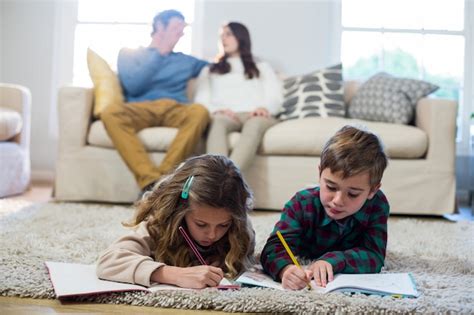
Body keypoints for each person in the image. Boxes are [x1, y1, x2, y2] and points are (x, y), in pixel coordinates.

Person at [96, 154, 256, 289]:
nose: (212, 234)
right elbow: (108, 261)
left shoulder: (240, 229)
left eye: (223, 225)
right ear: (180, 210)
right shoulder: (161, 222)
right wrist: (173, 274)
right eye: (201, 224)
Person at [260, 125, 390, 290]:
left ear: (372, 190)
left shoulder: (377, 205)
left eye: (353, 194)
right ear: (320, 173)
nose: (337, 201)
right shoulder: (301, 203)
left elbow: (375, 257)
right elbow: (273, 249)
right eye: (331, 187)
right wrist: (286, 269)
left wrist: (333, 260)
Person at [101, 10, 210, 193]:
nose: (181, 33)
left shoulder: (185, 61)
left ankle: (162, 182)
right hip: (140, 108)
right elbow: (134, 85)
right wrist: (160, 53)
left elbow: (220, 69)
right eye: (176, 27)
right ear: (160, 26)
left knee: (200, 112)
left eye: (183, 29)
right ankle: (150, 180)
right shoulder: (130, 54)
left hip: (176, 107)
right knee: (110, 113)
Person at [194, 22, 282, 171]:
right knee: (218, 123)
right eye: (221, 36)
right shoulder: (210, 69)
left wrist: (264, 108)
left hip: (256, 115)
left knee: (254, 125)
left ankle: (227, 183)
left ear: (241, 37)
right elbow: (201, 100)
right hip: (226, 115)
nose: (223, 39)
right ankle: (218, 179)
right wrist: (218, 110)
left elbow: (276, 95)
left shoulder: (261, 67)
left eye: (228, 34)